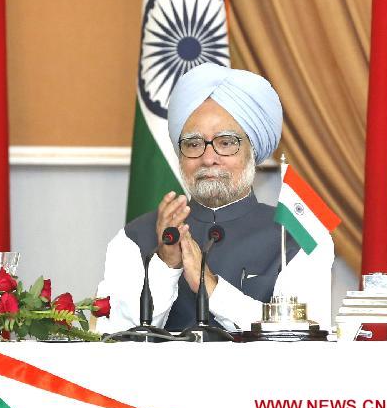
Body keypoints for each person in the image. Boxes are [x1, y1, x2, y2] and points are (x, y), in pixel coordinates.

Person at [96, 63, 333, 333]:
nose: (209, 158)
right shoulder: (133, 238)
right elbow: (112, 338)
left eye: (226, 142)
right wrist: (165, 265)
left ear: (252, 150)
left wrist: (211, 288)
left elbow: (303, 340)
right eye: (194, 144)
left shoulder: (299, 236)